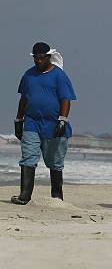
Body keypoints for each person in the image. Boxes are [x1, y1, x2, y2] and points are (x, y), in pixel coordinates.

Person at [12, 42, 76, 205]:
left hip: (53, 124)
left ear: (48, 57)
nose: (38, 61)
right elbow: (24, 99)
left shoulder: (59, 75)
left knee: (54, 161)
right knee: (28, 157)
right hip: (32, 123)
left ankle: (56, 196)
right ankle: (24, 195)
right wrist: (19, 120)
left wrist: (62, 120)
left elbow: (66, 99)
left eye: (41, 58)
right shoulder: (28, 76)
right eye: (36, 59)